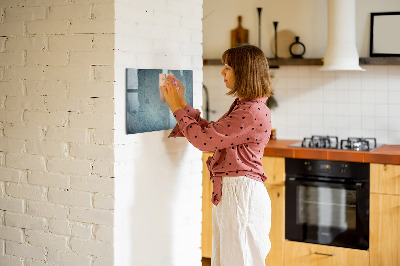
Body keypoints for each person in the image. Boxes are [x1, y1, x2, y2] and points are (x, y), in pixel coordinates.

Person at [161, 44, 273, 266]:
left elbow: (204, 141)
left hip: (241, 195)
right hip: (236, 193)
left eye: (228, 67)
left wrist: (176, 107)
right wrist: (182, 103)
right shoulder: (246, 106)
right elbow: (212, 133)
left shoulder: (250, 111)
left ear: (244, 72)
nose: (222, 72)